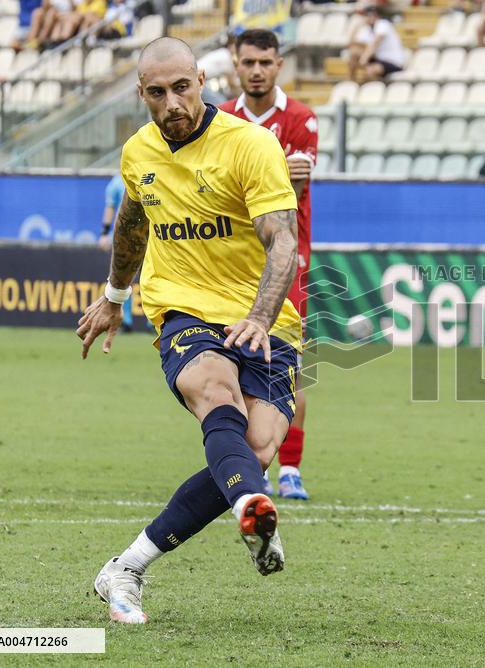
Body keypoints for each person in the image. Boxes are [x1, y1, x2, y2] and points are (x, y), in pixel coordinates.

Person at [77, 36, 301, 624]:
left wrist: (260, 317)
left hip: (265, 318)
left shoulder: (250, 145)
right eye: (157, 92)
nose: (172, 102)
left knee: (256, 448)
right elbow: (132, 224)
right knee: (214, 390)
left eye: (182, 87)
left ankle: (127, 566)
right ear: (141, 93)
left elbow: (283, 241)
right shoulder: (139, 152)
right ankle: (252, 504)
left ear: (202, 80)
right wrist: (114, 297)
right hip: (183, 310)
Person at [219, 29, 318, 501]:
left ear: (279, 65)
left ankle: (291, 468)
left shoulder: (301, 118)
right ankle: (247, 464)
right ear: (235, 65)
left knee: (288, 366)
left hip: (286, 262)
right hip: (231, 263)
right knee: (231, 367)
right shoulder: (221, 118)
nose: (257, 70)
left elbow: (289, 192)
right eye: (249, 62)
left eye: (265, 62)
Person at [97, 173, 137, 332]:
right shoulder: (117, 182)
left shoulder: (118, 181)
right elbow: (110, 206)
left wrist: (104, 233)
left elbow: (110, 207)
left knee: (130, 277)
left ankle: (150, 321)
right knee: (125, 278)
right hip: (126, 237)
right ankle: (127, 320)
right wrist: (105, 233)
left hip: (143, 235)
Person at [348, 5, 405, 82]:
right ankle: (351, 82)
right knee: (354, 53)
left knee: (370, 70)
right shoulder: (368, 29)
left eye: (373, 15)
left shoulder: (383, 24)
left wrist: (364, 59)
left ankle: (372, 87)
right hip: (380, 60)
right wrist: (356, 27)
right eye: (368, 15)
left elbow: (375, 43)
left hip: (393, 62)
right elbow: (351, 45)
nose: (371, 17)